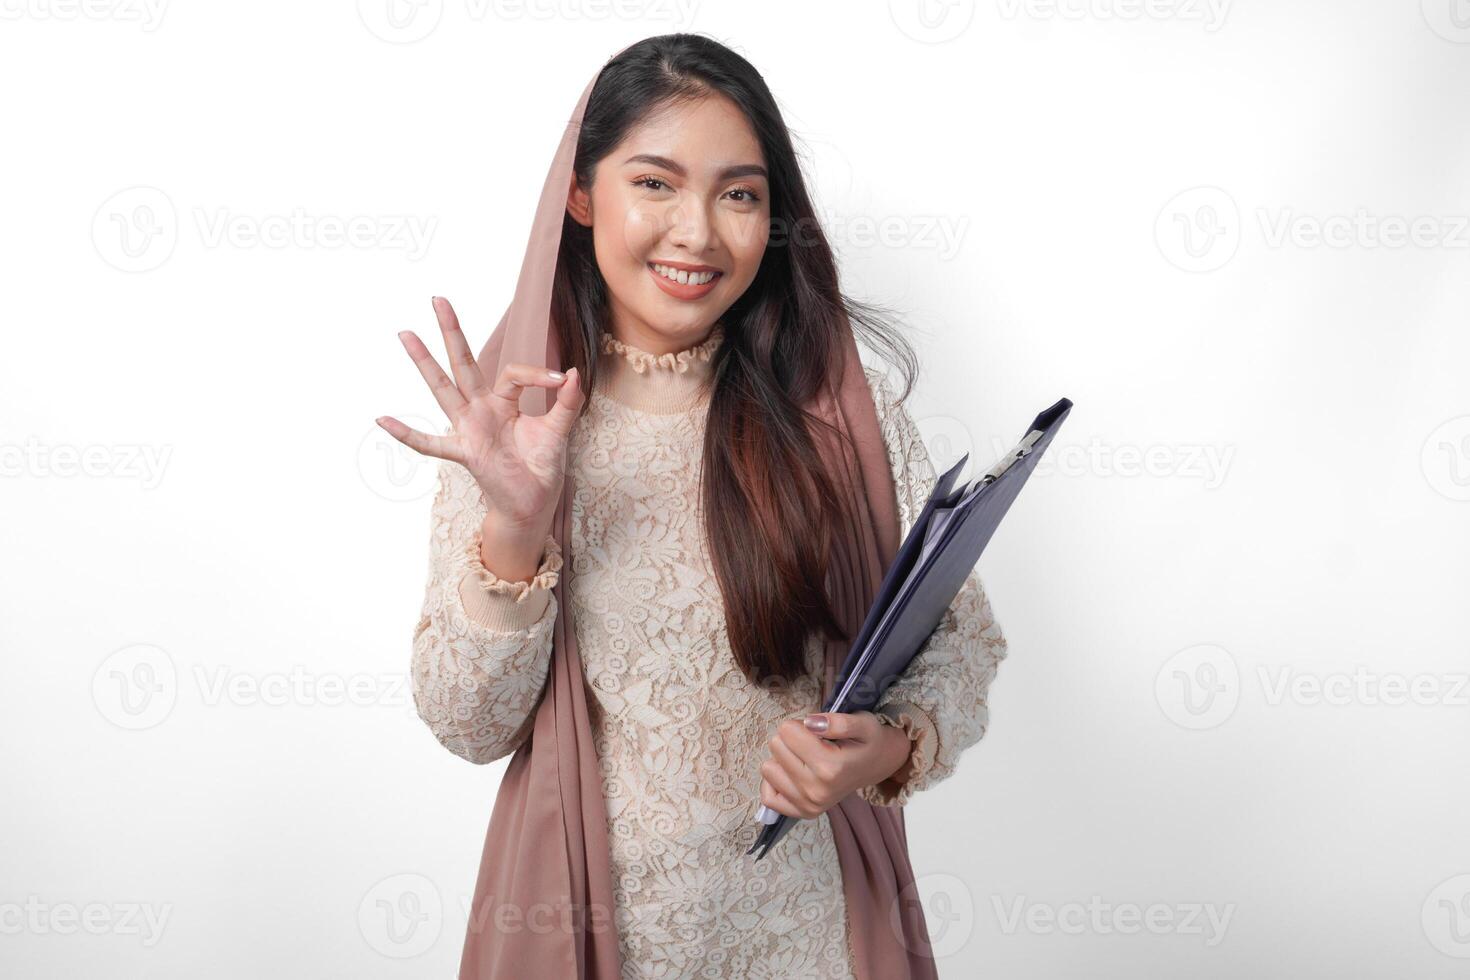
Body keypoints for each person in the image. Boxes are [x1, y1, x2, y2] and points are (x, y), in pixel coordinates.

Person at [377, 33, 1008, 980]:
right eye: (656, 184)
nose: (698, 232)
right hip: (594, 937)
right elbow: (469, 724)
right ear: (582, 196)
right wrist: (514, 530)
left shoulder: (842, 414)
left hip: (816, 938)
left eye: (740, 194)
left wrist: (881, 747)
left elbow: (958, 640)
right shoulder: (516, 422)